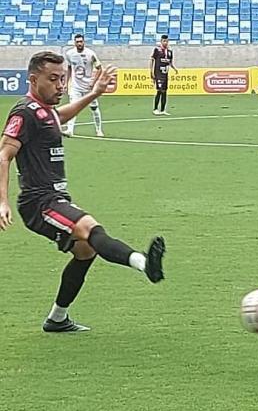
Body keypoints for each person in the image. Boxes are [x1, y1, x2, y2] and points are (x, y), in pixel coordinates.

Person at [0, 51, 166, 333]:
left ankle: (57, 318)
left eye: (62, 79)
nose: (60, 86)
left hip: (55, 199)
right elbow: (4, 155)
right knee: (89, 227)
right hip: (39, 202)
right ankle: (143, 264)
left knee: (86, 251)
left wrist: (94, 93)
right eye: (53, 79)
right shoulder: (24, 112)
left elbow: (59, 115)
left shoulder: (44, 111)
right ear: (33, 79)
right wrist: (2, 201)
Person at [62, 34, 104, 137]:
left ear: (84, 42)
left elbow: (99, 68)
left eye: (81, 41)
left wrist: (93, 82)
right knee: (72, 107)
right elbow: (69, 68)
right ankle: (69, 130)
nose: (79, 43)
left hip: (88, 87)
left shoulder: (90, 54)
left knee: (94, 108)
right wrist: (66, 84)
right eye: (77, 42)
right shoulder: (69, 54)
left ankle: (99, 130)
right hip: (76, 86)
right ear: (74, 43)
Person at [150, 34, 178, 115]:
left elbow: (170, 62)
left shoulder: (169, 51)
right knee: (159, 90)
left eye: (167, 41)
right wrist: (151, 72)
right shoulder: (157, 50)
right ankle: (155, 109)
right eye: (164, 41)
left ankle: (163, 110)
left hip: (165, 74)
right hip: (158, 73)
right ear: (161, 41)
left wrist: (174, 68)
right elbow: (152, 60)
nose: (165, 42)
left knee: (165, 91)